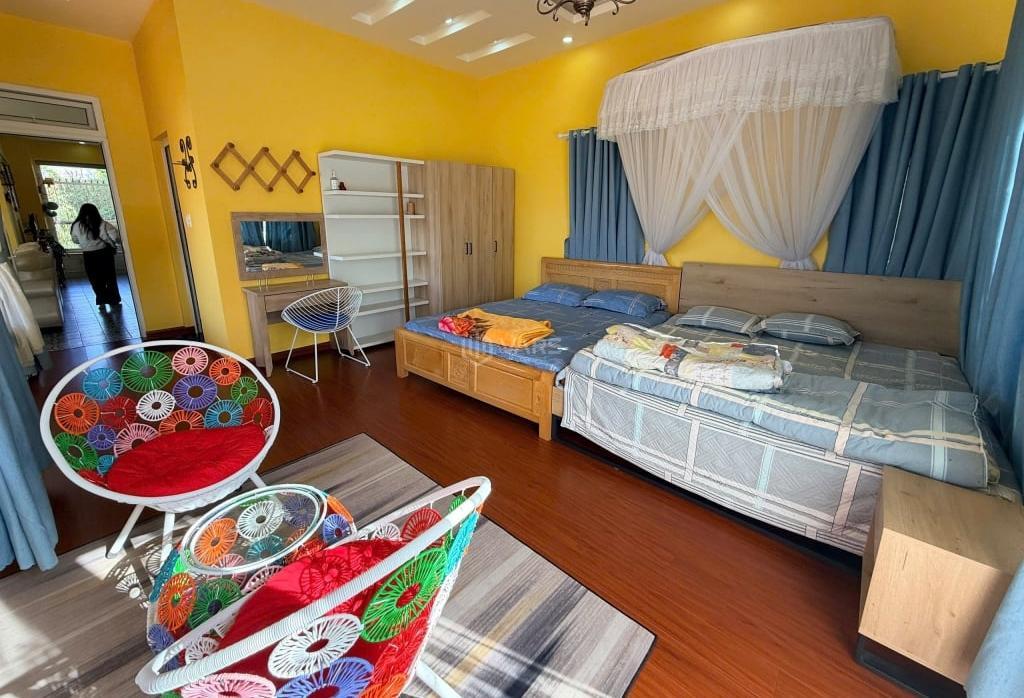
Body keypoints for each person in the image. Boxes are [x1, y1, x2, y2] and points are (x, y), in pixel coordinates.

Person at [70, 203, 122, 308]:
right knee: (109, 277)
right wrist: (115, 243)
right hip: (104, 253)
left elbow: (75, 240)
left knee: (95, 279)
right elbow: (116, 237)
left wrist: (85, 242)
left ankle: (101, 301)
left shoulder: (76, 225)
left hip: (88, 255)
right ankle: (113, 300)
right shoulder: (103, 224)